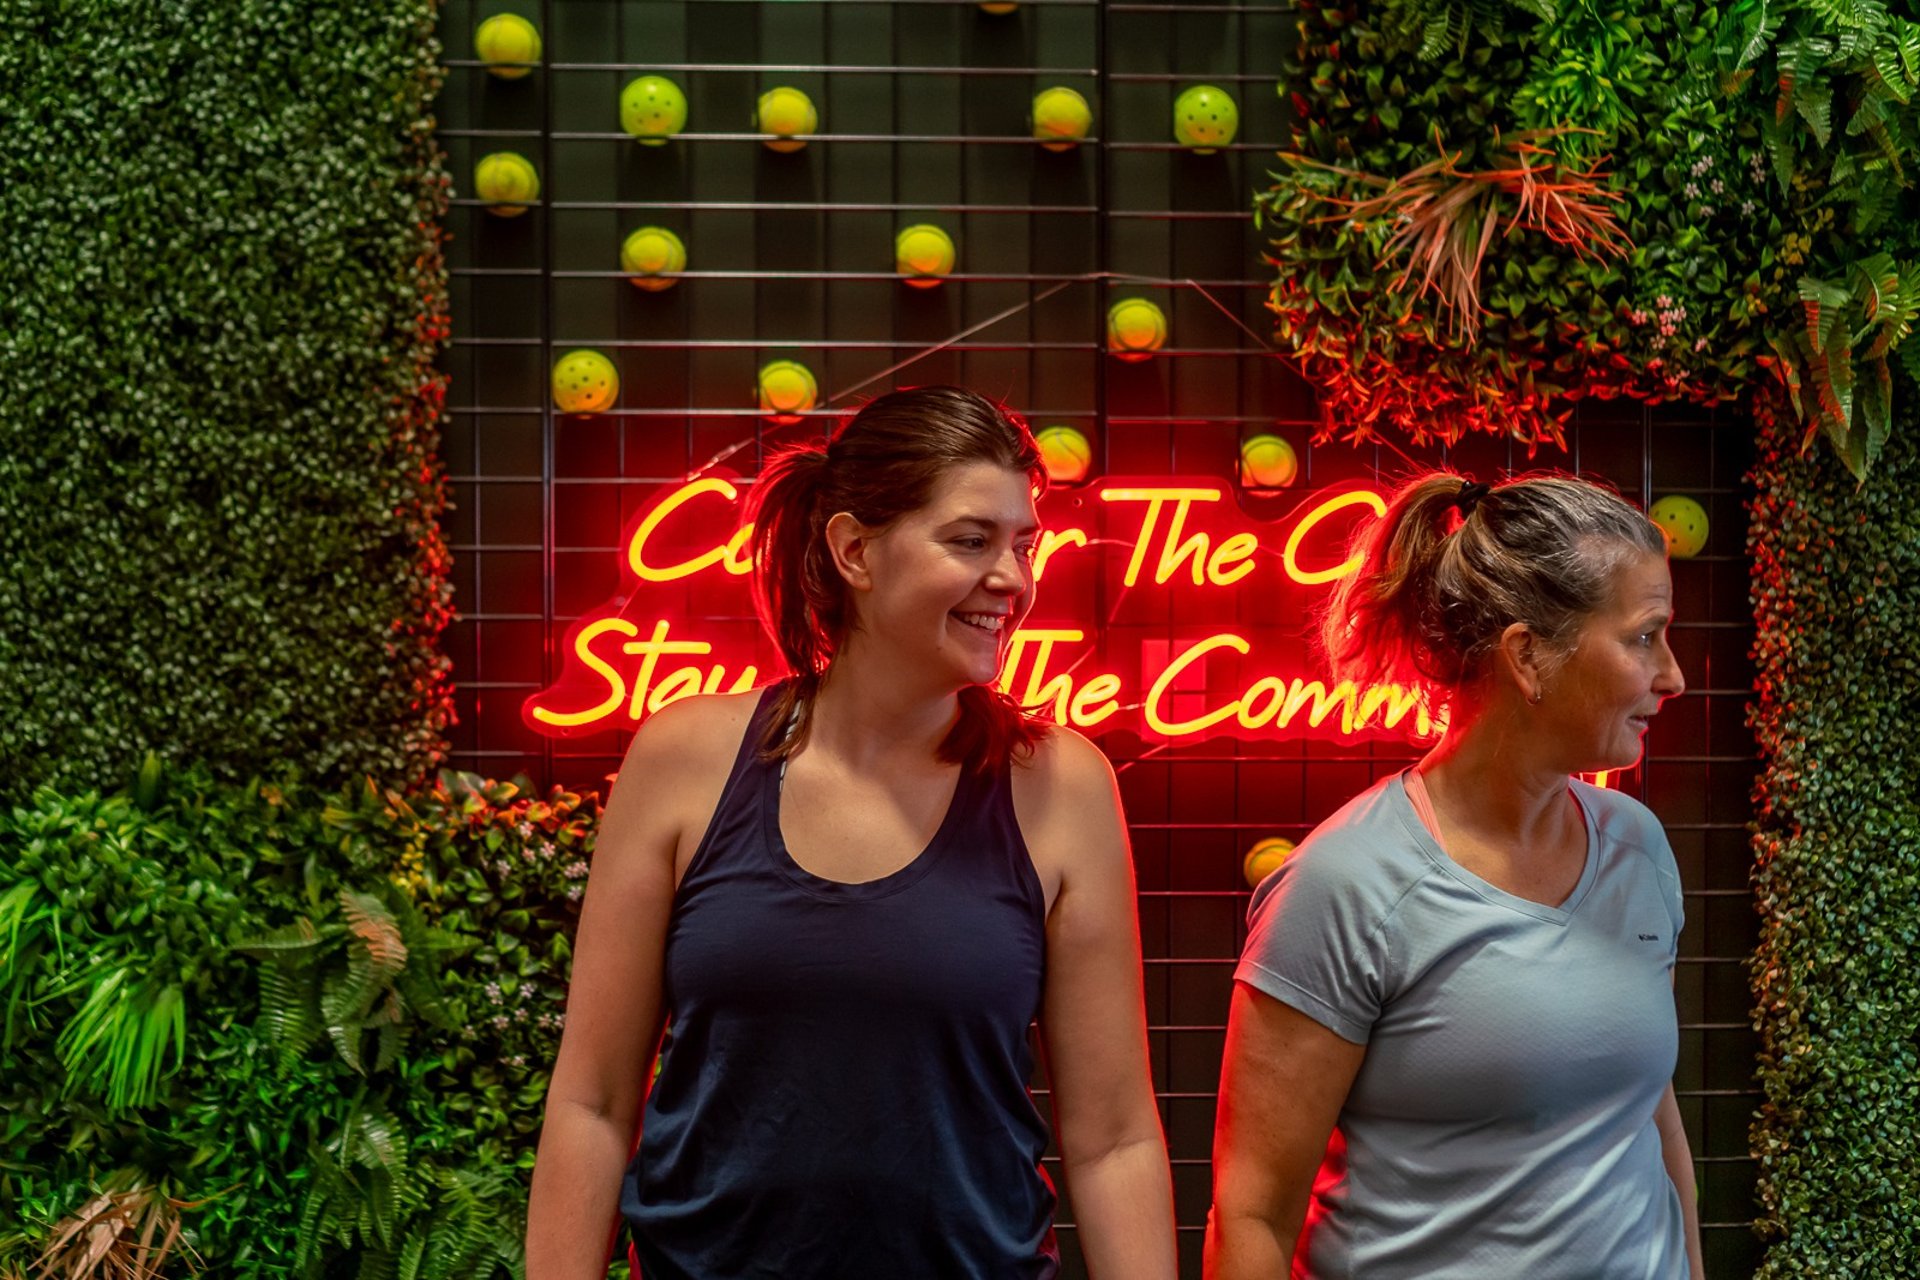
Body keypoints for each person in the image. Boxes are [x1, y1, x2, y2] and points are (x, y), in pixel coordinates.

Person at [526, 386, 1176, 1280]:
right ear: (854, 550)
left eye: (1024, 545)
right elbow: (593, 1105)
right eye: (971, 540)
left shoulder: (1063, 788)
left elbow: (1114, 1141)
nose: (1015, 580)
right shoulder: (684, 759)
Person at [1205, 473, 1705, 1280]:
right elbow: (1252, 1217)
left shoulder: (1638, 848)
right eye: (1645, 637)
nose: (1673, 676)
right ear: (1528, 656)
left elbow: (1649, 1118)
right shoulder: (1347, 884)